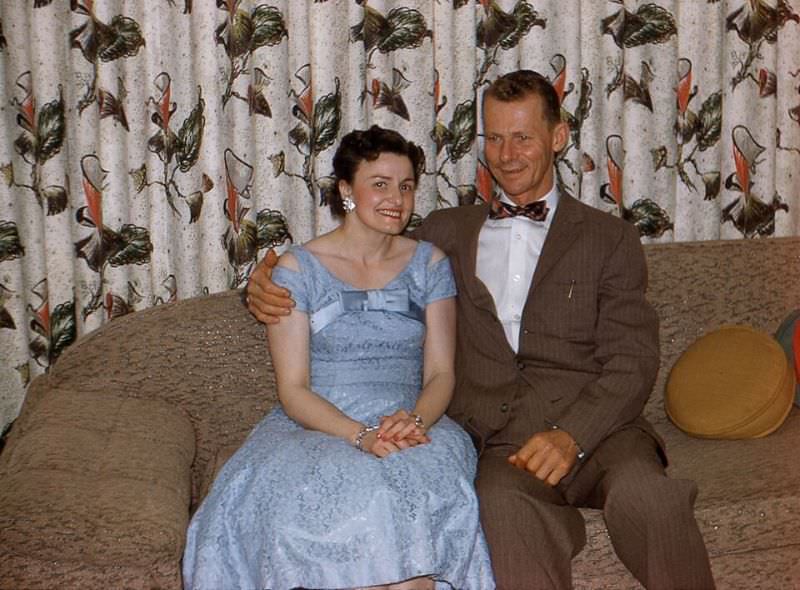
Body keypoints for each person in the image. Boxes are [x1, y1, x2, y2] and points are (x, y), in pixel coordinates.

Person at [247, 70, 716, 589]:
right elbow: (360, 256)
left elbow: (633, 361)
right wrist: (264, 280)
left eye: (523, 137)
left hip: (603, 434)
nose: (507, 153)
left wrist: (572, 436)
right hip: (500, 446)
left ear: (557, 138)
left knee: (650, 498)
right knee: (501, 512)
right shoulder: (444, 235)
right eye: (494, 138)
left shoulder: (610, 238)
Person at [183, 125, 495, 590]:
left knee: (413, 541)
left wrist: (413, 421)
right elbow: (293, 389)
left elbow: (441, 373)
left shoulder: (430, 263)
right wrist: (361, 434)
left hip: (410, 418)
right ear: (346, 190)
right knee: (341, 511)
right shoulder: (295, 269)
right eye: (381, 184)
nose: (397, 198)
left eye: (406, 186)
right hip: (319, 421)